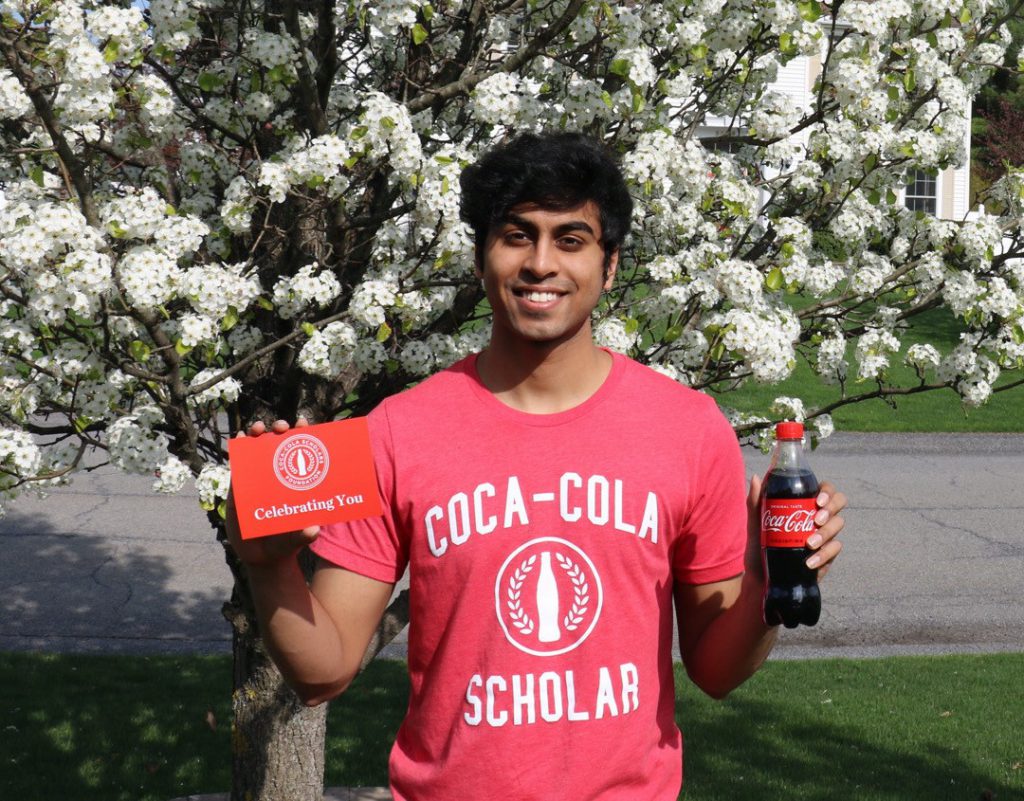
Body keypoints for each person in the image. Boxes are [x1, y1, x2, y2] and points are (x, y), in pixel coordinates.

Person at [227, 132, 846, 801]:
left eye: (571, 239)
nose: (540, 263)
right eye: (517, 235)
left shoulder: (689, 429)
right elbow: (325, 670)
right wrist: (269, 567)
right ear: (480, 256)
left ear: (609, 266)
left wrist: (766, 581)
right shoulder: (396, 432)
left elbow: (717, 671)